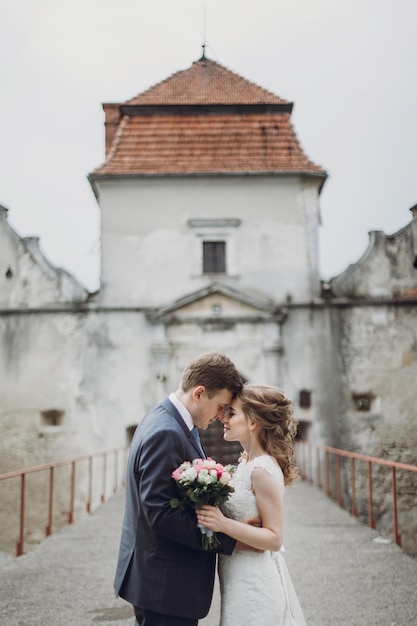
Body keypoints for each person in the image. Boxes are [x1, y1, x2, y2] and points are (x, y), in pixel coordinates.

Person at [114, 351, 244, 626]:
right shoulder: (167, 432)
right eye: (221, 406)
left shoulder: (169, 420)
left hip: (162, 579)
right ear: (199, 394)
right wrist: (231, 538)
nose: (222, 416)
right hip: (165, 583)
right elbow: (161, 515)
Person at [196, 384, 307, 626]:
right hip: (236, 576)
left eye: (232, 413)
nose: (224, 418)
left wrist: (223, 524)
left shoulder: (262, 469)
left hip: (254, 583)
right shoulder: (247, 461)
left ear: (253, 422)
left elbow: (274, 539)